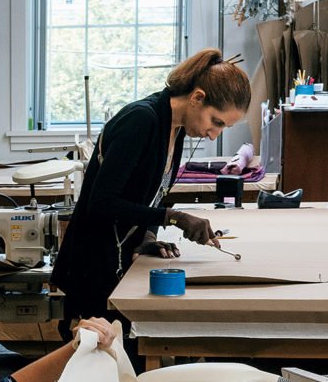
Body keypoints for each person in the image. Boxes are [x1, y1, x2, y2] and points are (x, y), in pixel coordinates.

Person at [54, 48, 252, 320]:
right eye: (216, 122)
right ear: (197, 98)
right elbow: (100, 203)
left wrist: (147, 234)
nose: (213, 134)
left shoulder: (176, 128)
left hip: (118, 261)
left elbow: (151, 195)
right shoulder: (141, 120)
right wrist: (173, 218)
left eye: (223, 128)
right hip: (92, 268)